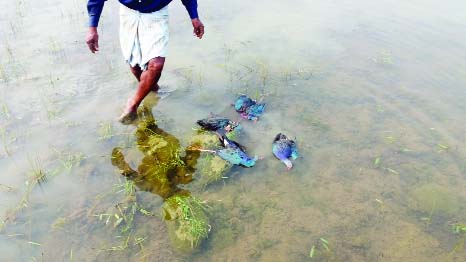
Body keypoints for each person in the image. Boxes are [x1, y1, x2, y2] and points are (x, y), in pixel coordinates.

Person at [85, 0, 204, 124]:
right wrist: (92, 28)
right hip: (129, 13)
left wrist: (194, 17)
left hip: (156, 14)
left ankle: (133, 103)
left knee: (156, 65)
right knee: (135, 65)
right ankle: (152, 90)